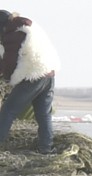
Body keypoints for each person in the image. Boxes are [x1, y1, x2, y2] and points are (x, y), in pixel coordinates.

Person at [0, 10, 60, 152]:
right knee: (43, 113)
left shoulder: (13, 34)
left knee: (8, 110)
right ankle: (46, 148)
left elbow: (10, 60)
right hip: (48, 73)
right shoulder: (28, 26)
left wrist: (6, 78)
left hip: (32, 75)